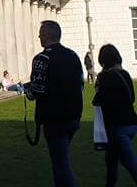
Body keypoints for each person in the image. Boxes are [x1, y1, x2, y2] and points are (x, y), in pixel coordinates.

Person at [26, 20, 83, 187]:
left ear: (46, 36)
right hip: (73, 116)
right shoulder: (73, 56)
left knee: (60, 165)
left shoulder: (41, 58)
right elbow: (79, 84)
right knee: (61, 161)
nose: (38, 36)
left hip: (54, 119)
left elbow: (36, 91)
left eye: (40, 33)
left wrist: (26, 91)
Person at [92, 44, 137, 186]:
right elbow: (132, 98)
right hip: (130, 121)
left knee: (129, 163)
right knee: (112, 160)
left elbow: (99, 100)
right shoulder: (124, 74)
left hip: (116, 125)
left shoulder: (104, 77)